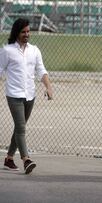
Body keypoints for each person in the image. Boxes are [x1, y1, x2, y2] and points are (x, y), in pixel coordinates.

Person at [0, 18, 53, 174]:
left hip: (30, 95)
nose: (26, 34)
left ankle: (9, 159)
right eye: (23, 32)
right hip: (14, 95)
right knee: (21, 128)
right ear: (17, 33)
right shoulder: (7, 50)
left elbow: (41, 70)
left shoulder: (34, 50)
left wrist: (49, 87)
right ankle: (26, 159)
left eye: (28, 31)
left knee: (19, 128)